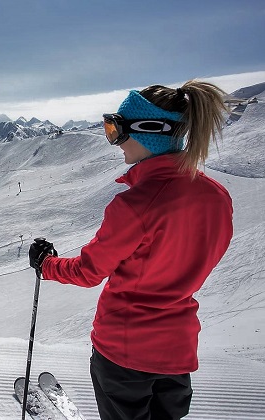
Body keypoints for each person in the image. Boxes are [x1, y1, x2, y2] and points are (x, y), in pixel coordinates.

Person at [28, 80, 233, 420]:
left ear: (150, 130)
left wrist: (46, 265)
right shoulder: (217, 197)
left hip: (124, 353)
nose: (116, 142)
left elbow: (88, 272)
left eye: (117, 129)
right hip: (178, 350)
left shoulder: (136, 204)